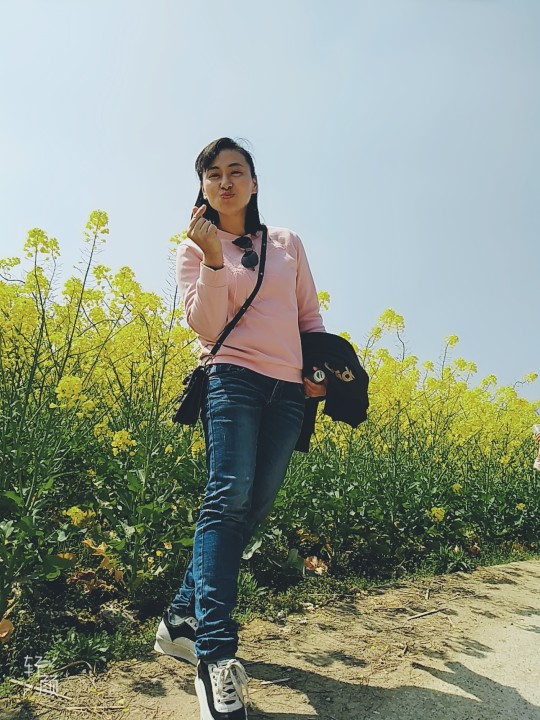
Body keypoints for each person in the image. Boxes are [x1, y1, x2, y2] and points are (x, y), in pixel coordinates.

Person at [154, 137, 327, 720]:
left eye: (236, 171)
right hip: (231, 379)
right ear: (203, 187)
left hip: (288, 391)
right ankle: (215, 657)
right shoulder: (193, 249)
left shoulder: (286, 243)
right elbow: (206, 326)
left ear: (254, 183)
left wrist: (318, 373)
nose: (225, 181)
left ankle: (180, 619)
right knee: (226, 498)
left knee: (252, 506)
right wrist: (211, 258)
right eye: (213, 173)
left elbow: (308, 315)